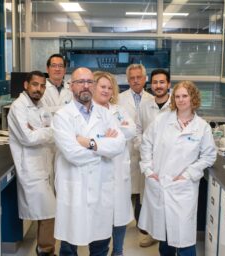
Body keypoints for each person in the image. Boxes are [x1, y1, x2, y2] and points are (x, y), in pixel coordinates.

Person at [52, 67, 125, 256]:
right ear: (71, 86)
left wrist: (89, 143)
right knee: (69, 246)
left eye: (89, 82)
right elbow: (72, 154)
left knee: (100, 245)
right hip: (74, 188)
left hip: (101, 187)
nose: (85, 86)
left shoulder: (106, 114)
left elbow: (119, 146)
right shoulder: (62, 116)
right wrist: (103, 147)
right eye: (80, 82)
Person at [139, 80, 217, 256]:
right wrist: (148, 170)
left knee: (184, 237)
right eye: (177, 96)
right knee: (164, 234)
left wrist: (189, 174)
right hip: (159, 183)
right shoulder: (162, 120)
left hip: (183, 188)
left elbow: (209, 156)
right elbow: (146, 143)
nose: (181, 100)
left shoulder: (202, 127)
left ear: (193, 98)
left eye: (185, 96)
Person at [8, 71, 56, 256]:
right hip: (31, 167)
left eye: (43, 85)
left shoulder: (40, 105)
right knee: (47, 211)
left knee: (47, 211)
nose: (39, 89)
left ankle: (44, 248)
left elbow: (48, 131)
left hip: (44, 163)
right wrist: (47, 132)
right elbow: (28, 138)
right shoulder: (18, 107)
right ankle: (46, 250)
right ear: (26, 85)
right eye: (35, 85)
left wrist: (41, 131)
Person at [93, 71, 135, 256]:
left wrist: (109, 134)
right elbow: (92, 138)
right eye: (103, 86)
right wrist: (109, 136)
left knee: (120, 214)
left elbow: (131, 130)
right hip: (97, 170)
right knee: (99, 216)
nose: (107, 90)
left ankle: (118, 251)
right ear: (93, 87)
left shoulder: (119, 110)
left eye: (110, 88)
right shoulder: (88, 110)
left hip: (119, 170)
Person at [117, 64, 155, 247]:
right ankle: (123, 223)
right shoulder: (119, 99)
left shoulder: (152, 99)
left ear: (145, 78)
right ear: (127, 79)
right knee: (126, 189)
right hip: (125, 150)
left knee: (144, 191)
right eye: (132, 78)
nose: (135, 80)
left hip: (146, 152)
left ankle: (144, 226)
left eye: (139, 77)